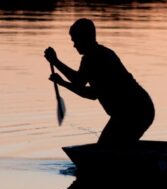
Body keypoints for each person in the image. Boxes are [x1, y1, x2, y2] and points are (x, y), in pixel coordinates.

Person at [44, 18, 154, 146]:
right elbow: (92, 94)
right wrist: (62, 82)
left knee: (106, 149)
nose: (74, 45)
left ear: (84, 38)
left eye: (75, 40)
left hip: (133, 111)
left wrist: (56, 62)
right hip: (135, 111)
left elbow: (78, 81)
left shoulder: (95, 57)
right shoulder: (97, 55)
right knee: (111, 148)